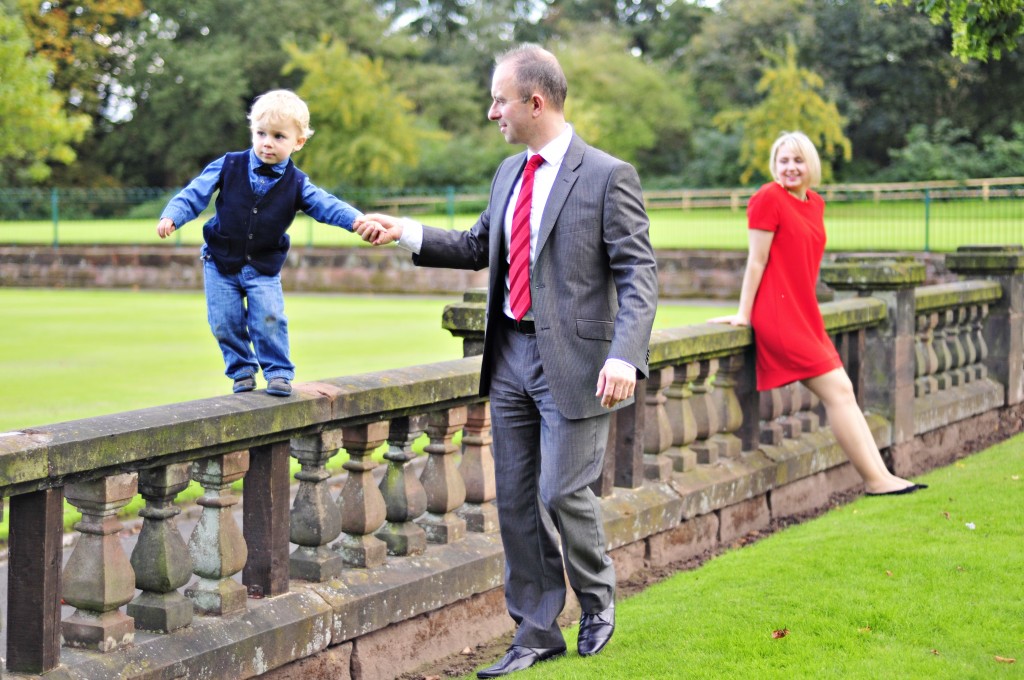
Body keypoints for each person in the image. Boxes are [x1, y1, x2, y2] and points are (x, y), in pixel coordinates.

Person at [355, 45, 658, 677]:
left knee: (560, 491)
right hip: (511, 357)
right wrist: (405, 232)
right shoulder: (507, 174)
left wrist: (626, 355)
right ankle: (537, 629)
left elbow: (638, 274)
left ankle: (597, 600)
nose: (492, 110)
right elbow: (474, 246)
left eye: (500, 99)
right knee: (517, 500)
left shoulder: (607, 175)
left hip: (576, 364)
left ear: (535, 102)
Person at [709, 131, 926, 497]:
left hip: (805, 312)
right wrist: (743, 314)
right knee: (839, 391)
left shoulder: (815, 203)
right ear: (774, 165)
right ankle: (875, 480)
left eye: (798, 160)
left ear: (811, 165)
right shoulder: (767, 198)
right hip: (778, 315)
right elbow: (756, 261)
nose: (791, 168)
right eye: (783, 160)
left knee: (844, 391)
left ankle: (883, 476)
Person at [156, 90, 375, 397]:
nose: (267, 143)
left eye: (278, 136)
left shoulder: (298, 183)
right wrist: (173, 215)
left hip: (262, 266)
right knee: (223, 321)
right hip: (220, 261)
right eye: (260, 134)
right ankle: (242, 369)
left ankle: (278, 372)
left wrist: (356, 220)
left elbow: (327, 205)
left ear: (298, 142)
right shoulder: (228, 165)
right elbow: (195, 193)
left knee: (269, 319)